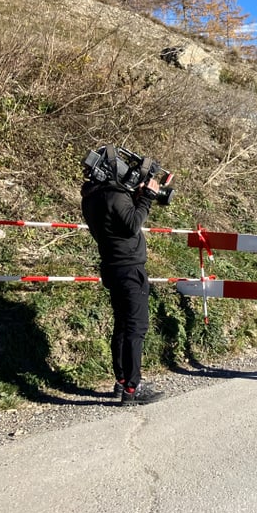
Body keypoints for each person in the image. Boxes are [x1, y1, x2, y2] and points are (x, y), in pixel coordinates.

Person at [81, 147, 165, 406]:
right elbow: (132, 225)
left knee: (121, 325)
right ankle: (132, 387)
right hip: (130, 268)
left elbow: (120, 221)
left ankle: (121, 382)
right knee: (136, 328)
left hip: (112, 266)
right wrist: (147, 197)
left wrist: (137, 195)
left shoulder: (90, 197)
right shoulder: (116, 196)